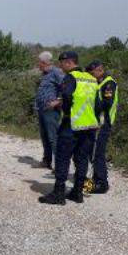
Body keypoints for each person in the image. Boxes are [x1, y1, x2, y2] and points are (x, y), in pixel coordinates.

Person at [39, 51, 100, 205]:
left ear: (69, 62)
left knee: (62, 158)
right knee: (81, 160)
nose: (60, 66)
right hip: (90, 126)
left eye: (62, 63)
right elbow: (98, 104)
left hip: (72, 125)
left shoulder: (71, 77)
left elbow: (66, 96)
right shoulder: (92, 79)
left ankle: (58, 194)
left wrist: (63, 109)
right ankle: (77, 192)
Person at [85, 60, 117, 194]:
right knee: (93, 152)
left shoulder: (108, 84)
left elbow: (107, 103)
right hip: (96, 122)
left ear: (99, 70)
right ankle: (96, 179)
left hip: (104, 123)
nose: (91, 77)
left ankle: (102, 184)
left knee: (98, 153)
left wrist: (94, 107)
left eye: (92, 74)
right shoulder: (98, 83)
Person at [35, 51, 65, 169]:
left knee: (53, 137)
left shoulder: (56, 73)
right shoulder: (44, 74)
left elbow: (66, 88)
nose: (38, 65)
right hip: (42, 109)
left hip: (51, 111)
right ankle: (46, 160)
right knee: (45, 136)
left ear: (44, 62)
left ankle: (59, 166)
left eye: (39, 62)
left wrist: (58, 101)